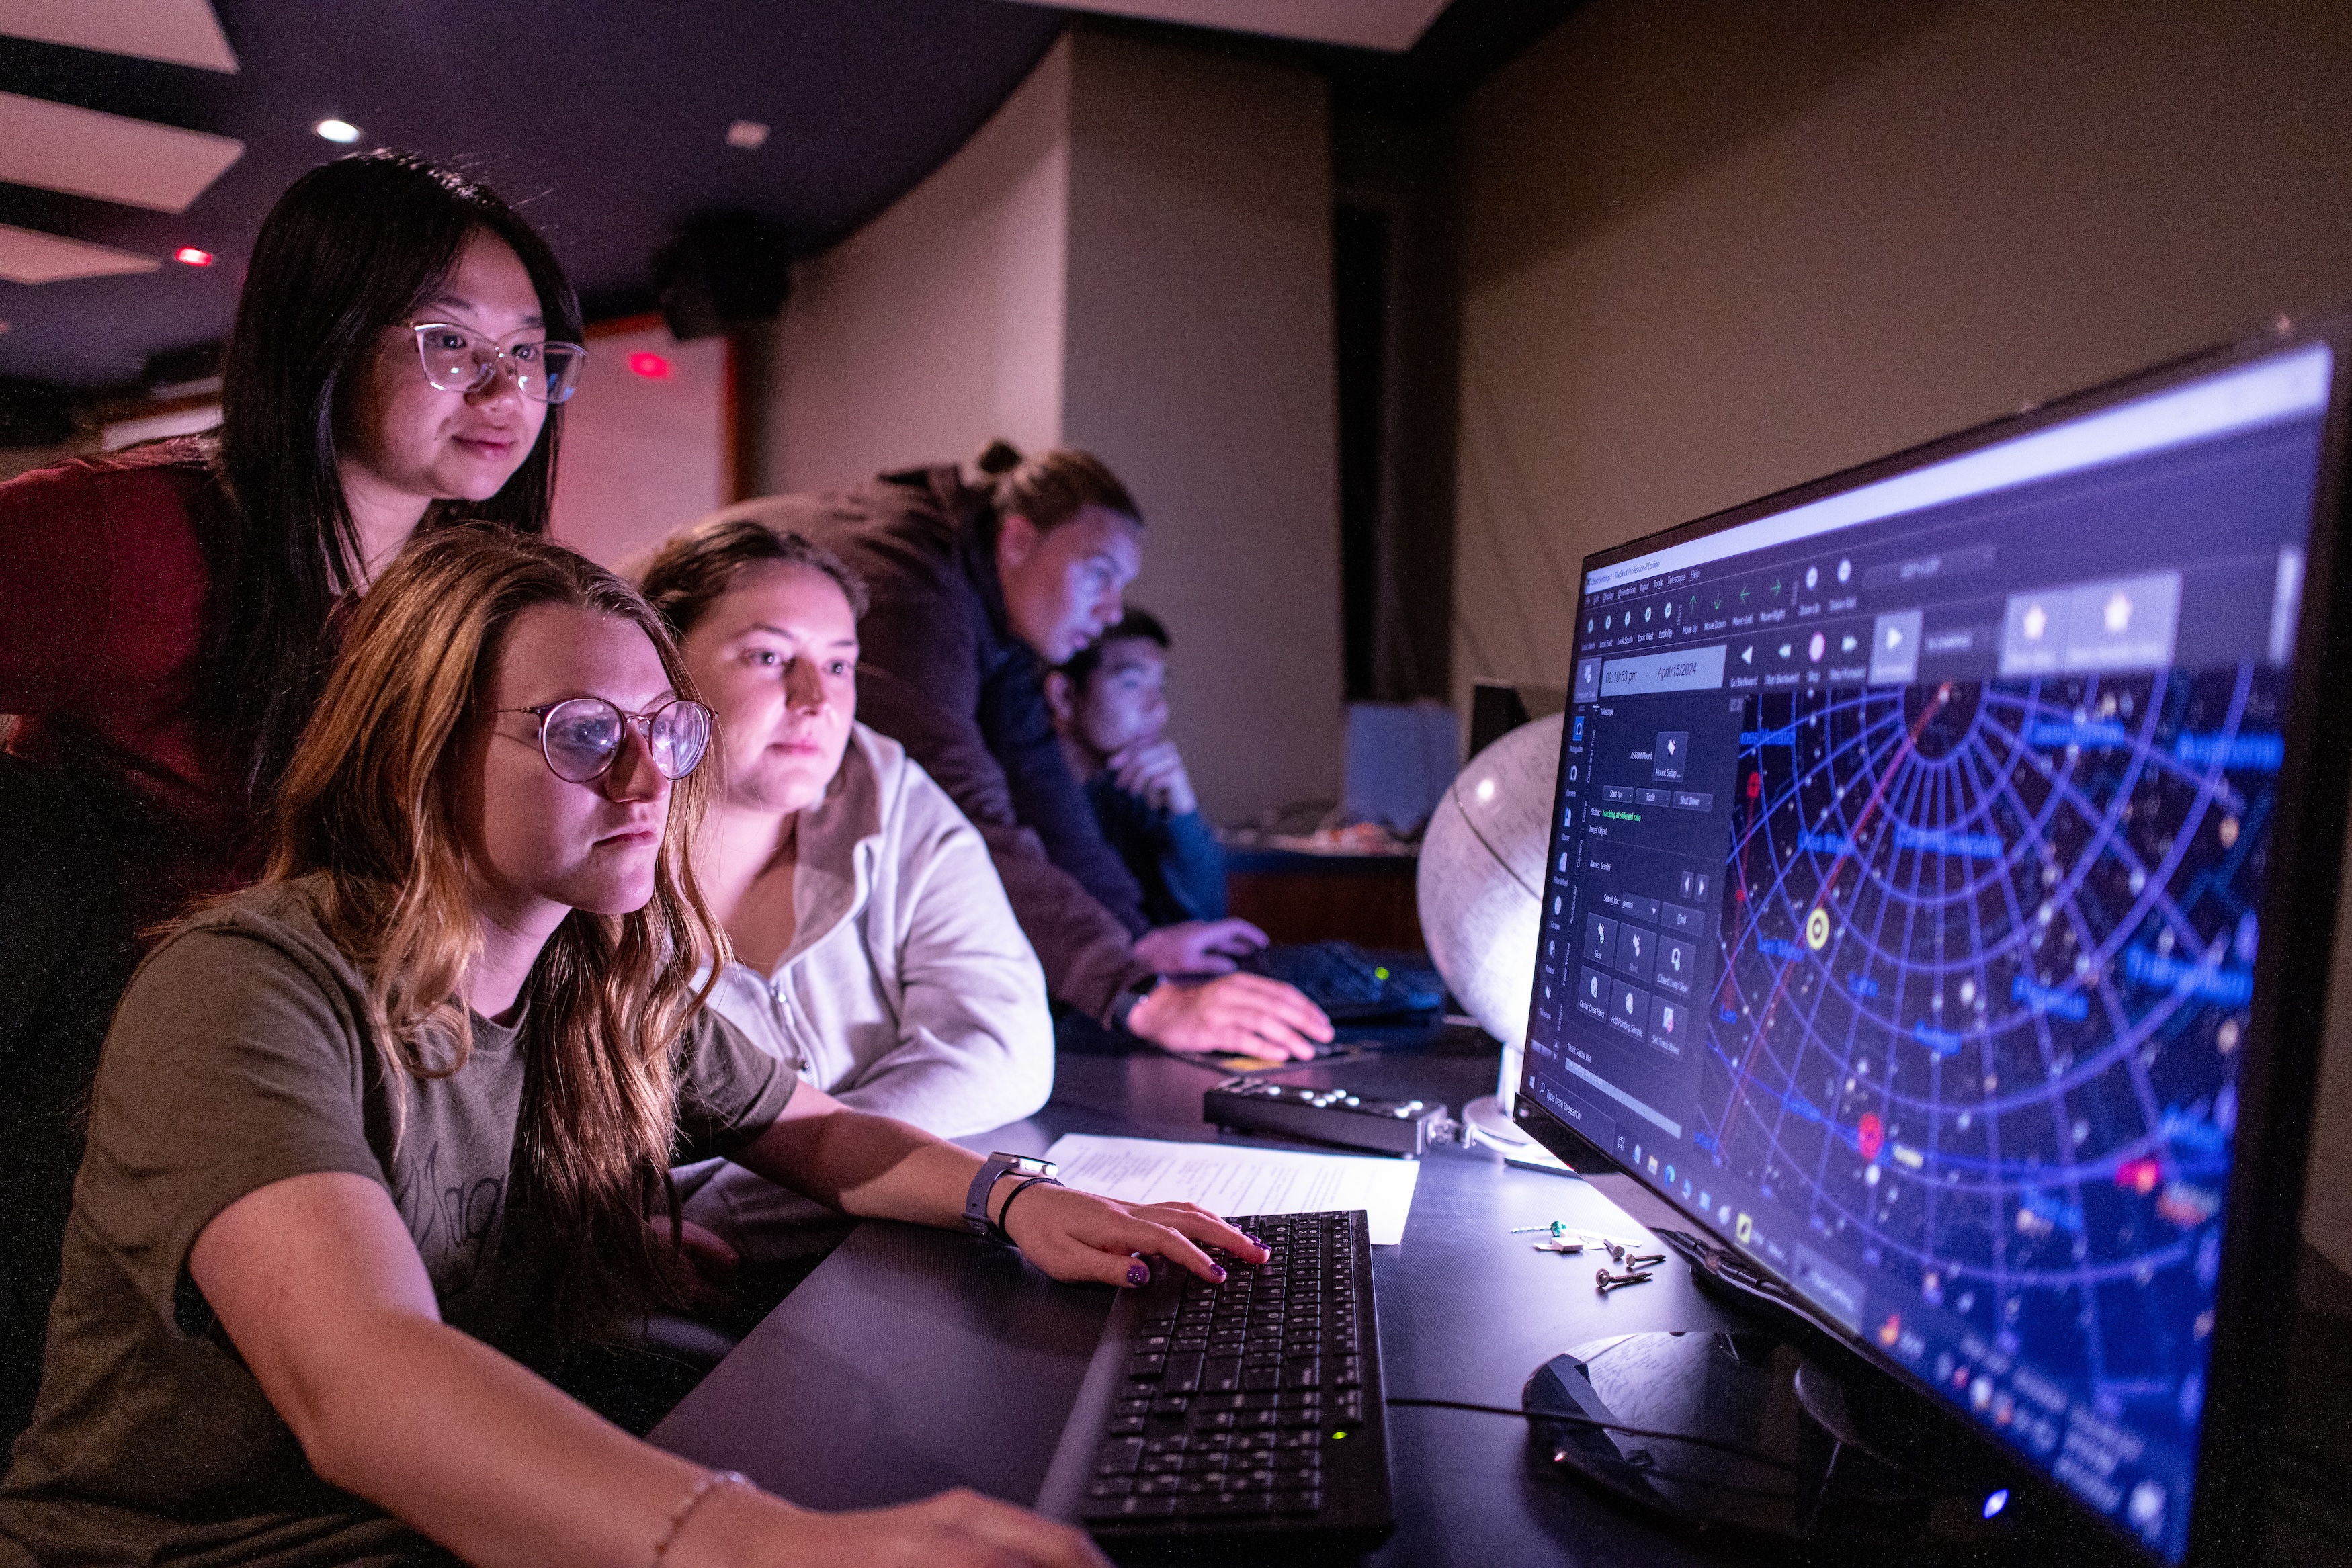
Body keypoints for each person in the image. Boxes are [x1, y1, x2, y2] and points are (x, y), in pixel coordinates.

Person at [0, 527, 1260, 1568]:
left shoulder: (596, 972)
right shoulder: (248, 986)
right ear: (416, 749)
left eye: (668, 729)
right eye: (584, 734)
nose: (649, 775)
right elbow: (362, 1379)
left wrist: (1014, 1197)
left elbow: (815, 1131)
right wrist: (754, 1541)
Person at [0, 148, 587, 1440]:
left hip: (365, 1090)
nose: (505, 390)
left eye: (532, 353)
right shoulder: (128, 542)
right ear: (325, 333)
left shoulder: (478, 587)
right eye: (448, 341)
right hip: (126, 1094)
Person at [701, 445, 1332, 1063]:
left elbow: (1042, 792)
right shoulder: (916, 595)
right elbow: (969, 814)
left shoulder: (986, 611)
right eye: (1099, 573)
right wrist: (1139, 995)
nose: (1112, 613)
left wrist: (1134, 949)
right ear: (1018, 540)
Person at [639, 517, 1054, 1277]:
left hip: (865, 1260)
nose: (814, 700)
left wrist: (730, 1207)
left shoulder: (885, 787)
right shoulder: (590, 844)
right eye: (768, 657)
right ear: (662, 669)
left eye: (838, 665)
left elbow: (1004, 1048)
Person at [1046, 609, 1229, 929]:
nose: (1158, 709)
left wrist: (1182, 810)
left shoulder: (1121, 797)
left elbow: (1208, 913)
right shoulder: (1029, 804)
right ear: (1064, 696)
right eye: (1132, 684)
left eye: (1160, 688)